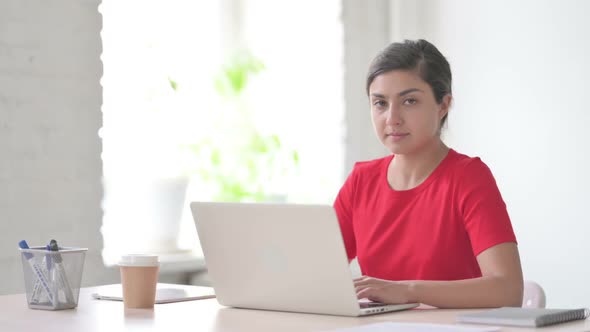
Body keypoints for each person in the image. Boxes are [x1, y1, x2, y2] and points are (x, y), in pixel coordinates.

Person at [334, 39, 523, 308]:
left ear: (443, 105)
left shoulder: (469, 177)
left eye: (409, 101)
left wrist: (409, 291)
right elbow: (319, 275)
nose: (392, 118)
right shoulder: (361, 181)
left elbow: (508, 290)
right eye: (380, 103)